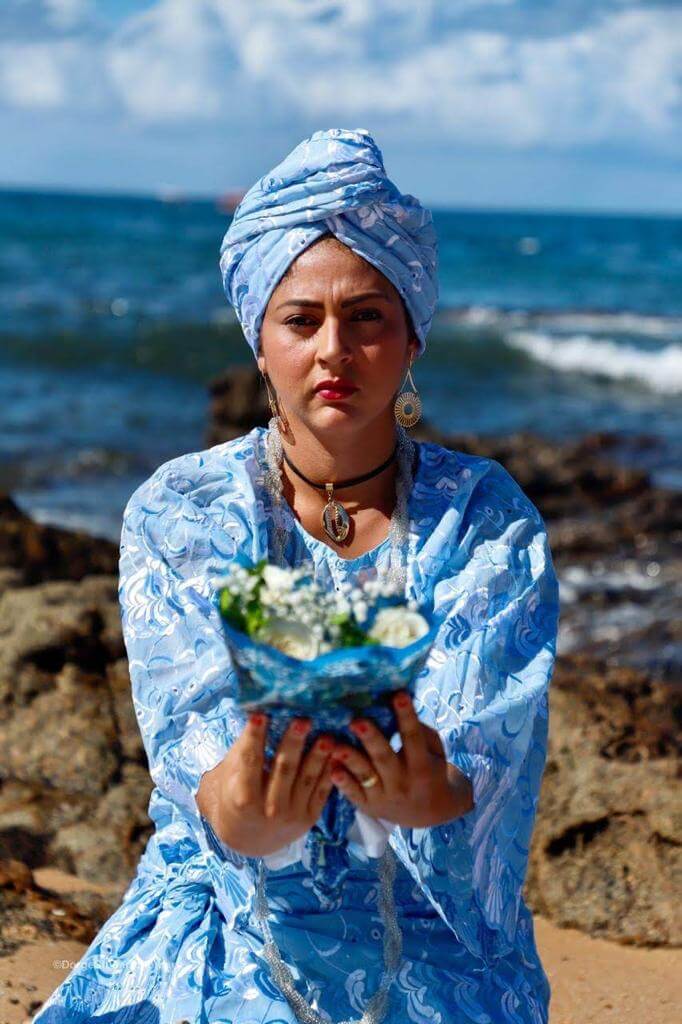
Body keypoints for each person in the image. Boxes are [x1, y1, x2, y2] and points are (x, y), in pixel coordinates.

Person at [33, 128, 560, 1023]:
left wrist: (428, 791)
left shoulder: (483, 519)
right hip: (232, 929)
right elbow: (209, 776)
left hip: (439, 945)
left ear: (412, 338)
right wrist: (247, 807)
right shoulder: (184, 512)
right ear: (260, 340)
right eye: (302, 319)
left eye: (368, 317)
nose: (333, 350)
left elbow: (477, 762)